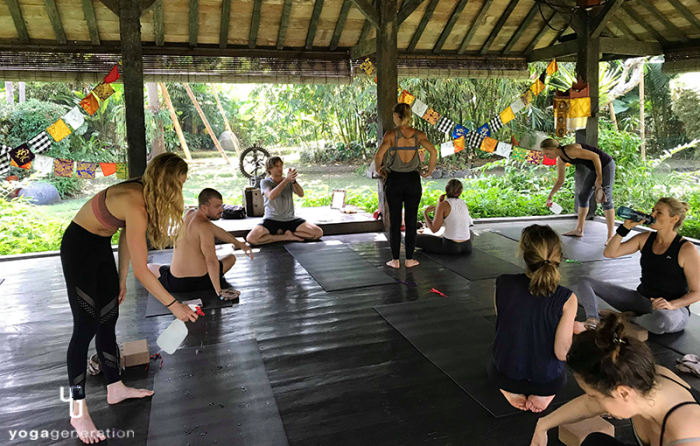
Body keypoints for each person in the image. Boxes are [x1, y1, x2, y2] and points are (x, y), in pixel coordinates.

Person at [61, 153, 199, 444]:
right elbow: (144, 271)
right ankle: (77, 411)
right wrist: (174, 306)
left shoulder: (144, 192)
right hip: (78, 249)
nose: (180, 192)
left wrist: (120, 277)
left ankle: (115, 387)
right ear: (166, 182)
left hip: (100, 247)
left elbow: (125, 235)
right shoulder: (136, 201)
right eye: (179, 185)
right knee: (85, 328)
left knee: (108, 318)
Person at [530, 313, 700, 446]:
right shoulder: (638, 378)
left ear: (623, 393)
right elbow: (589, 405)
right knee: (595, 443)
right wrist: (543, 425)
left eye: (593, 395)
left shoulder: (688, 437)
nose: (592, 400)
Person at [576, 197, 700, 335]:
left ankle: (625, 318)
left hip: (671, 310)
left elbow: (697, 292)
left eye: (659, 213)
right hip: (640, 300)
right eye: (653, 211)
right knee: (585, 281)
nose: (652, 215)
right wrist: (625, 228)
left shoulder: (686, 249)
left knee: (661, 322)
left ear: (674, 219)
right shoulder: (645, 238)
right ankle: (593, 320)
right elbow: (610, 252)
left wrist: (671, 305)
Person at [489, 225, 578, 413]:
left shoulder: (503, 283)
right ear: (559, 258)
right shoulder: (567, 298)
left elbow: (507, 319)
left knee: (492, 364)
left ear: (525, 255)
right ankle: (542, 395)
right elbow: (562, 353)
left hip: (505, 373)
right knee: (563, 374)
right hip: (547, 381)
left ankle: (510, 390)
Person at [147, 188, 253, 300]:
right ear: (204, 208)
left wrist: (240, 244)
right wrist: (218, 290)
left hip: (175, 282)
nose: (221, 209)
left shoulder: (190, 213)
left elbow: (218, 231)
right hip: (201, 281)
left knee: (148, 267)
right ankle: (212, 285)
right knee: (231, 258)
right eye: (217, 207)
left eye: (221, 205)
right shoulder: (204, 226)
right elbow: (211, 261)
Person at [374, 103, 438, 269]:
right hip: (412, 180)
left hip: (394, 180)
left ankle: (395, 260)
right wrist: (429, 170)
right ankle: (409, 259)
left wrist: (378, 169)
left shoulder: (391, 135)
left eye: (394, 115)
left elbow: (379, 155)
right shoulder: (418, 135)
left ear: (397, 116)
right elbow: (433, 152)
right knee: (411, 219)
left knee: (394, 221)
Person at [541, 138, 616, 243]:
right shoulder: (561, 159)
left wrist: (599, 178)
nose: (546, 156)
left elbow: (596, 156)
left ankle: (611, 237)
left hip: (606, 165)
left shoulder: (571, 150)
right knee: (583, 196)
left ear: (554, 149)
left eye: (547, 153)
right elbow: (560, 180)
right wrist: (550, 195)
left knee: (606, 199)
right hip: (595, 168)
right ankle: (579, 230)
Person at [246, 156, 323, 246]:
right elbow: (271, 196)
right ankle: (286, 237)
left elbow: (301, 194)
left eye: (281, 166)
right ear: (269, 169)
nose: (280, 169)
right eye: (276, 166)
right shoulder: (265, 182)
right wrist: (286, 180)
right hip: (271, 219)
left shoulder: (289, 181)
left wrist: (293, 181)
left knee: (318, 233)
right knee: (251, 239)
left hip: (290, 219)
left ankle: (286, 234)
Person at [416, 179, 473, 255]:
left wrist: (425, 214)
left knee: (413, 238)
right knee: (470, 232)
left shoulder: (443, 205)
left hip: (450, 246)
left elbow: (434, 229)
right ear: (460, 191)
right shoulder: (464, 204)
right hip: (467, 246)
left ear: (446, 189)